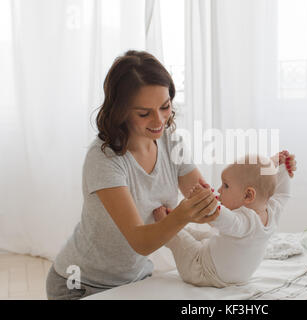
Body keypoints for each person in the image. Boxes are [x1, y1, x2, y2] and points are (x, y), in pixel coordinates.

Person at [46, 50, 220, 300]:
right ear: (121, 111)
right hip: (79, 285)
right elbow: (140, 240)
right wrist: (182, 215)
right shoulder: (104, 158)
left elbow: (206, 210)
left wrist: (208, 206)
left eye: (165, 107)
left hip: (135, 280)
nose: (159, 120)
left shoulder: (173, 143)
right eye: (144, 113)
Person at [152, 151, 297, 287]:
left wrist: (204, 198)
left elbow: (219, 216)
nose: (219, 190)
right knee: (207, 236)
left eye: (226, 185)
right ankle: (181, 227)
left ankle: (164, 223)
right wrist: (282, 167)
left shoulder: (245, 223)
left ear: (248, 196)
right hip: (235, 275)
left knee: (180, 238)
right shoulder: (273, 209)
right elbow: (283, 193)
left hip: (202, 271)